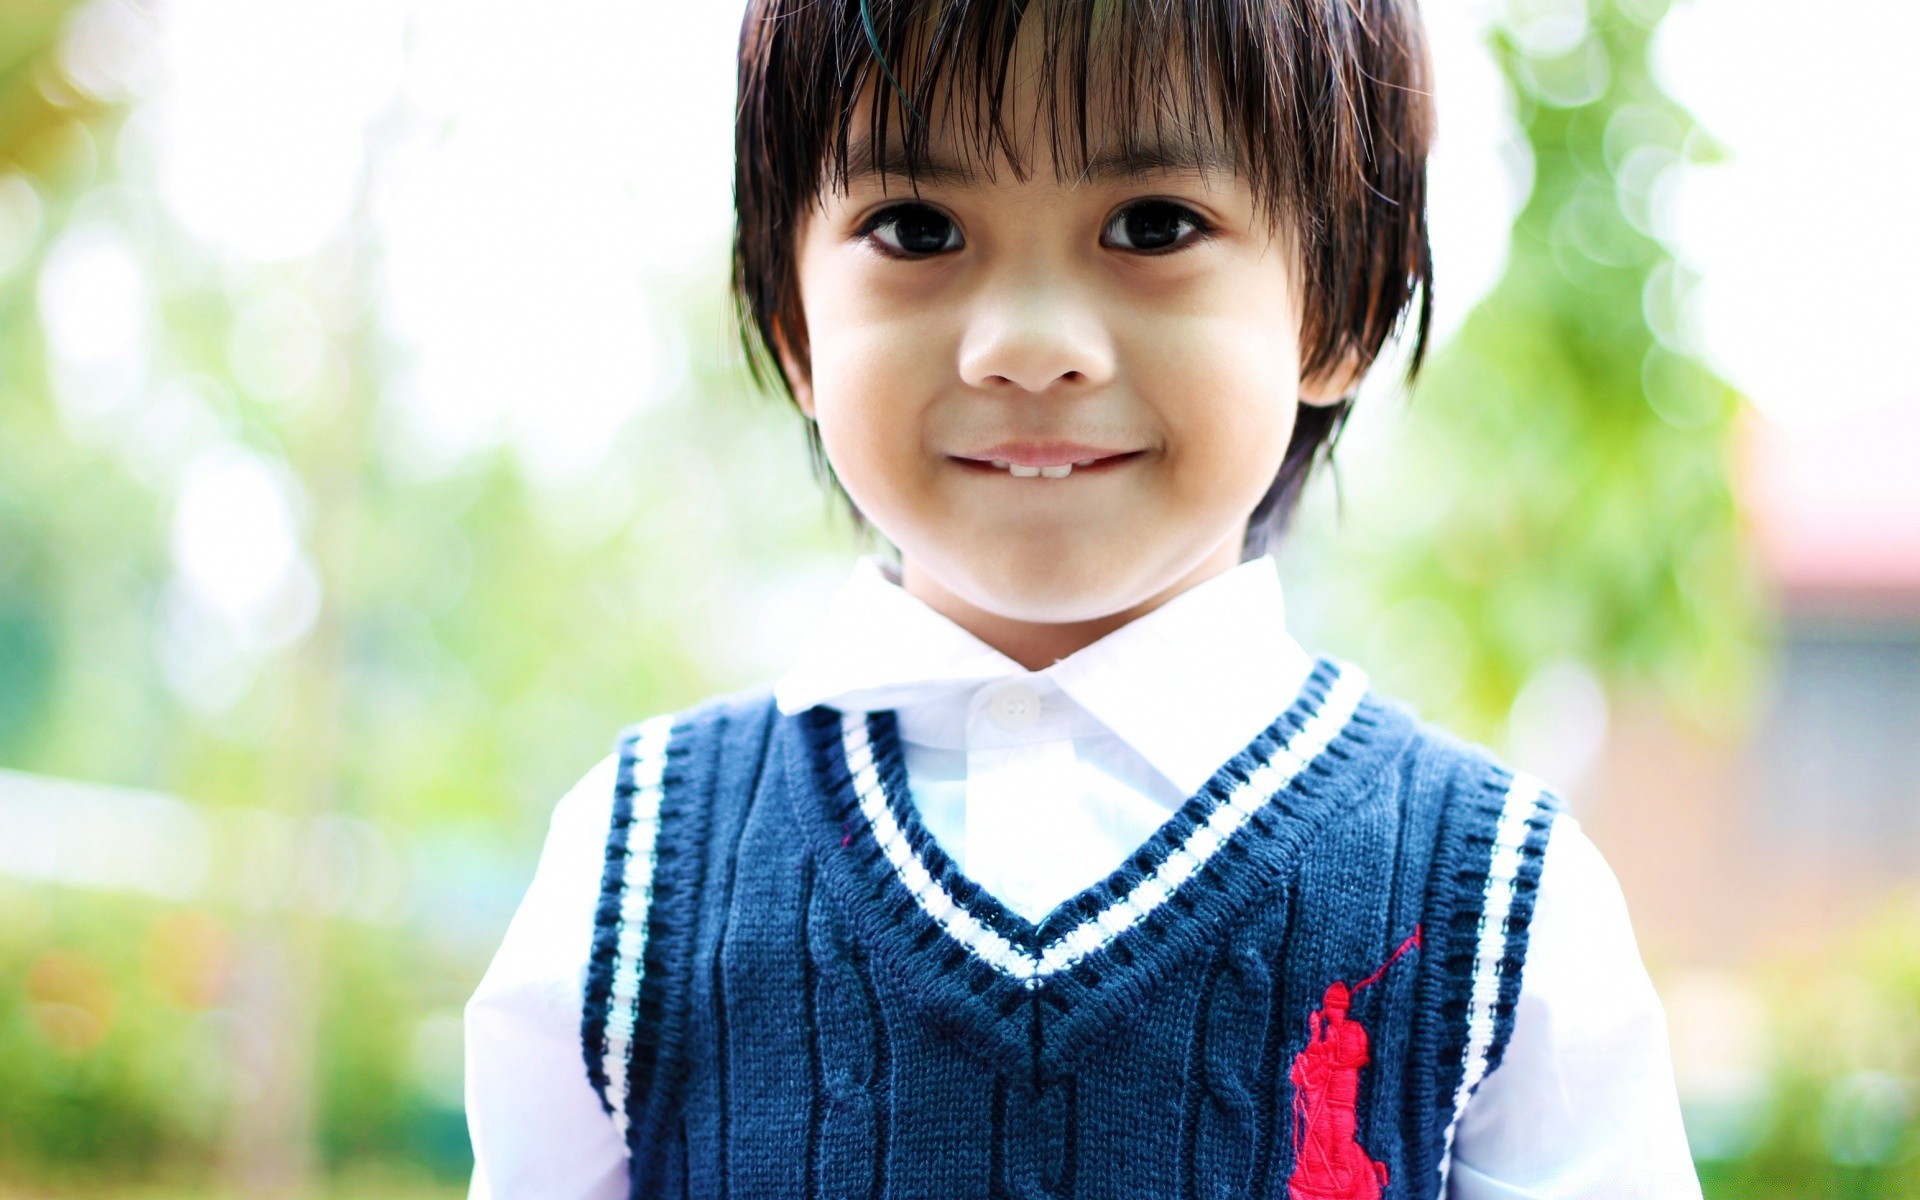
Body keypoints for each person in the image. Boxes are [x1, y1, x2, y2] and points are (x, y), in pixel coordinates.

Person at [464, 0, 1701, 1195]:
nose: (1028, 341)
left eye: (1153, 225)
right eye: (917, 229)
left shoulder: (1498, 906)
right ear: (793, 320)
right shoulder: (634, 870)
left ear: (1340, 306)